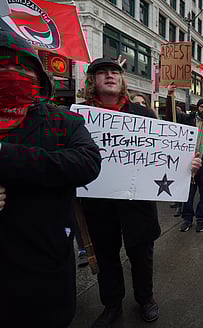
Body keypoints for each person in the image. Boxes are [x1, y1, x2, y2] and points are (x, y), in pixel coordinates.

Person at [79, 58, 201, 327]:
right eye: (102, 73)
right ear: (92, 82)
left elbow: (164, 152)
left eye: (115, 72)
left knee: (141, 254)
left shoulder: (143, 115)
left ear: (122, 81)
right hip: (98, 203)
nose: (110, 76)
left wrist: (186, 165)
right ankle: (112, 305)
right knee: (106, 256)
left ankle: (146, 299)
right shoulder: (80, 117)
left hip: (137, 201)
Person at [0, 31, 102, 327]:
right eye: (2, 66)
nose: (11, 74)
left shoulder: (63, 122)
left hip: (46, 263)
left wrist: (5, 155)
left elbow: (87, 163)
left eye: (21, 68)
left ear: (37, 77)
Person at [166, 84, 203, 232]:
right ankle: (187, 219)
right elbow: (171, 117)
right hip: (189, 165)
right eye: (201, 106)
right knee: (188, 195)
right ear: (198, 108)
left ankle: (201, 220)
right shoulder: (189, 119)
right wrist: (170, 96)